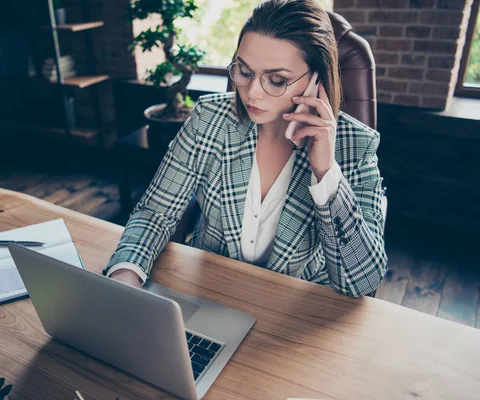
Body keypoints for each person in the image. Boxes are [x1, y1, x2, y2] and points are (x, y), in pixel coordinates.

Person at [103, 0, 388, 297]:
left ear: (316, 79)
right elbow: (155, 213)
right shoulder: (209, 118)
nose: (252, 93)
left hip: (295, 312)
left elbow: (360, 282)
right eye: (244, 71)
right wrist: (126, 274)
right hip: (208, 292)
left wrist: (326, 173)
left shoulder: (355, 143)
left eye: (277, 80)